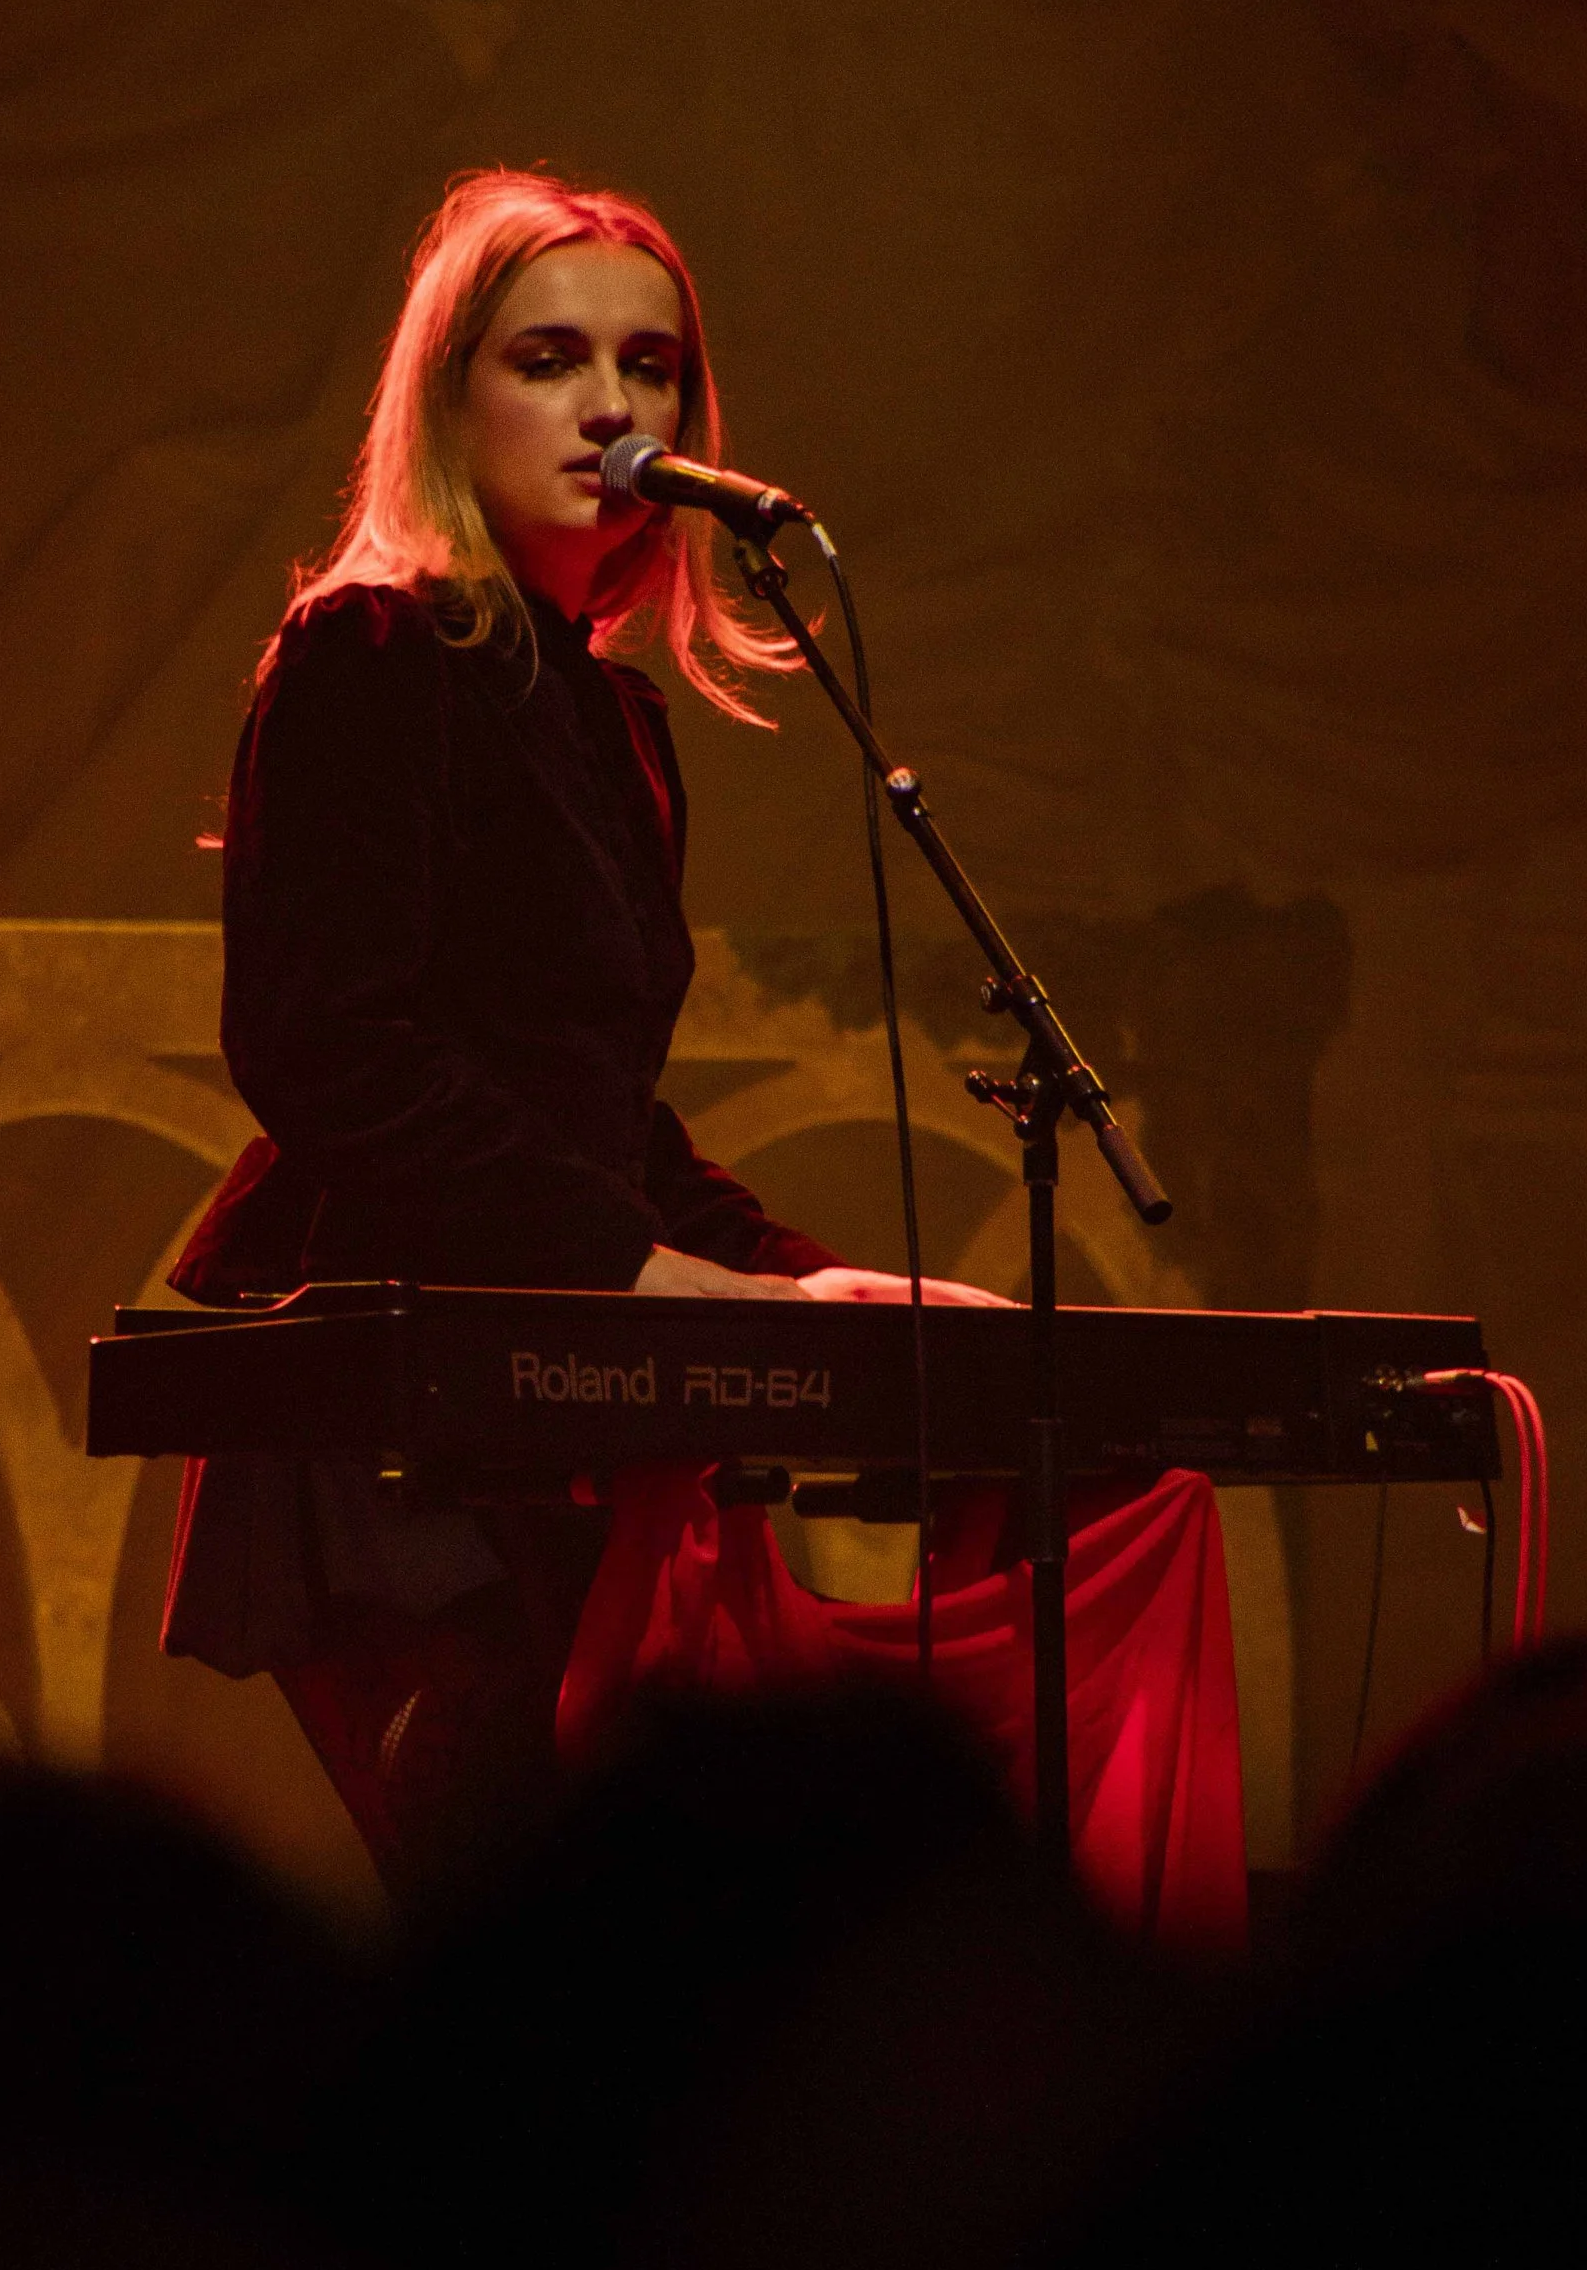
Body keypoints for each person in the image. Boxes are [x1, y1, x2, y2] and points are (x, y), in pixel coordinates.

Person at [163, 169, 990, 1902]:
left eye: (650, 365)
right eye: (549, 359)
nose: (614, 406)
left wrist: (796, 1278)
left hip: (550, 1384)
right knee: (521, 1908)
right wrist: (633, 1268)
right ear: (447, 397)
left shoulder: (611, 715)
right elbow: (328, 1051)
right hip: (393, 1394)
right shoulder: (367, 649)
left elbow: (592, 1108)